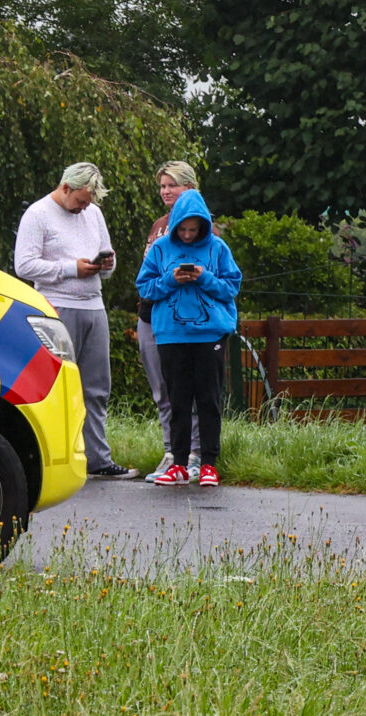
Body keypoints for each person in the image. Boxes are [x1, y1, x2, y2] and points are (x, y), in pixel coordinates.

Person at [13, 162, 132, 480]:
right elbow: (23, 265)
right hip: (58, 307)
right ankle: (50, 459)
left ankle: (97, 458)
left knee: (96, 387)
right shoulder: (38, 214)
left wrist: (106, 263)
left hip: (94, 306)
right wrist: (70, 268)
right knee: (54, 384)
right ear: (65, 188)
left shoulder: (93, 213)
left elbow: (107, 259)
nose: (83, 208)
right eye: (80, 201)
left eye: (88, 202)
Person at [136, 185, 242, 488]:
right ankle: (178, 464)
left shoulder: (218, 249)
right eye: (182, 229)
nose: (186, 235)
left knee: (208, 399)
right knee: (178, 400)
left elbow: (231, 287)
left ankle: (208, 463)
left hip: (209, 334)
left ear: (202, 227)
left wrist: (203, 277)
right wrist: (171, 279)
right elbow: (145, 288)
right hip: (171, 334)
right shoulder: (159, 249)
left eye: (193, 229)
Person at [137, 160, 200, 473]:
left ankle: (195, 452)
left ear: (188, 187)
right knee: (161, 389)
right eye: (162, 186)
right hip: (151, 314)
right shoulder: (158, 225)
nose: (165, 191)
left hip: (185, 319)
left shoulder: (202, 228)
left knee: (188, 389)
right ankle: (171, 451)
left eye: (171, 185)